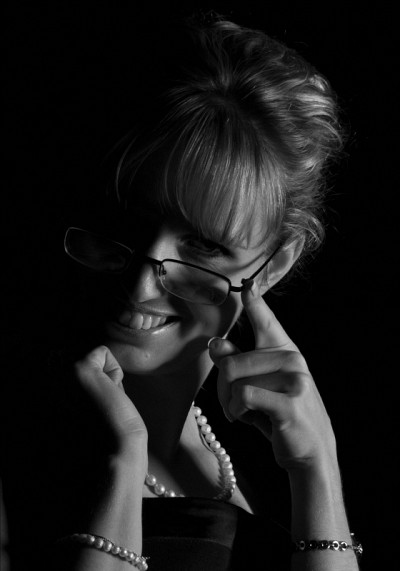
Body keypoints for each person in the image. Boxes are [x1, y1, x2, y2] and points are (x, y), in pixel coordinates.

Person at [1, 15, 362, 571]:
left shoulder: (272, 460)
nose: (141, 282)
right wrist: (121, 468)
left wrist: (318, 471)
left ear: (272, 266)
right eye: (125, 225)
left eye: (204, 246)